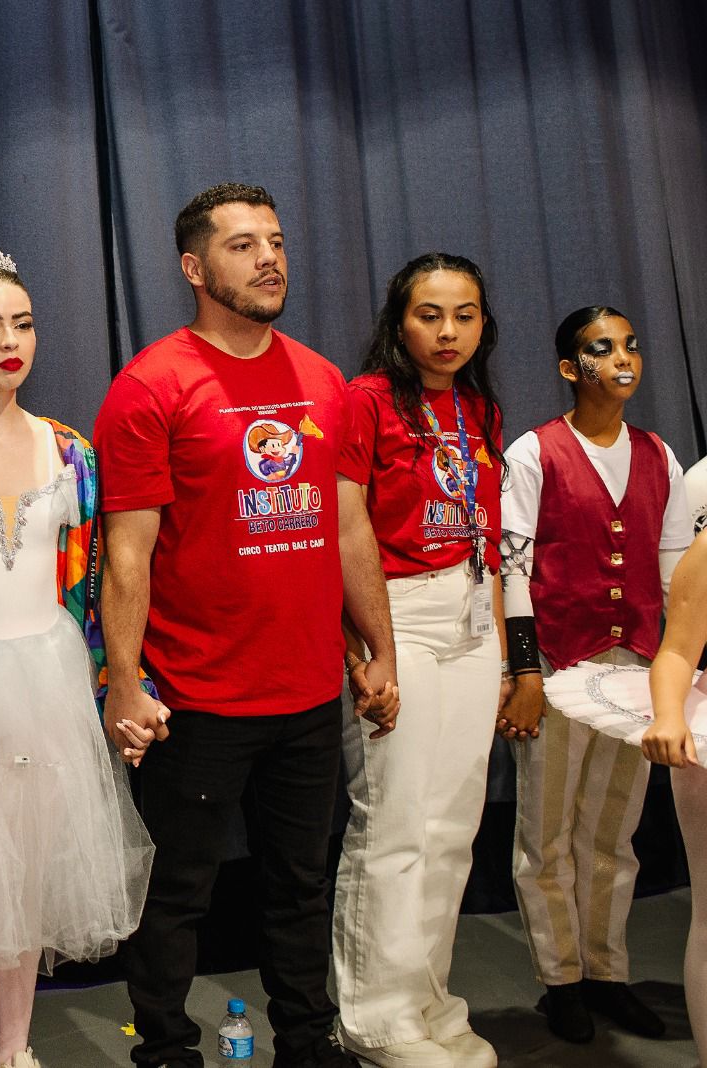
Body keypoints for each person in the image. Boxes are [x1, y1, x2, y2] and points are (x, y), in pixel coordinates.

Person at [93, 182, 397, 1068]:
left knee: (299, 885)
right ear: (195, 269)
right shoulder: (151, 386)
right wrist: (124, 681)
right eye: (242, 246)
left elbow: (348, 527)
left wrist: (377, 648)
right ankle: (165, 1050)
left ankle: (307, 1041)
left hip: (307, 689)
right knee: (176, 896)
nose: (269, 259)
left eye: (276, 241)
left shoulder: (324, 382)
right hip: (196, 697)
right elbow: (127, 556)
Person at [0, 245, 154, 1068]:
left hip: (46, 678)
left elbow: (90, 585)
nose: (9, 341)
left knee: (25, 875)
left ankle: (13, 1049)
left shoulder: (68, 449)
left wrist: (113, 683)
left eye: (22, 323)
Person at [332, 253, 507, 1068]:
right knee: (396, 821)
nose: (447, 332)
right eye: (429, 315)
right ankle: (373, 1019)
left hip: (469, 614)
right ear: (398, 322)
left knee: (452, 828)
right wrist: (369, 650)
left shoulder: (479, 407)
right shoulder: (365, 401)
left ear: (483, 325)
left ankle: (429, 999)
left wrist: (501, 653)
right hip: (395, 614)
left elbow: (488, 539)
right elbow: (345, 530)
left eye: (464, 315)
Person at [499, 305, 692, 1044]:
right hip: (557, 663)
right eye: (602, 347)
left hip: (635, 665)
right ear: (568, 367)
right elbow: (514, 570)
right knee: (547, 832)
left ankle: (608, 973)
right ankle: (561, 980)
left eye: (631, 346)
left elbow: (673, 566)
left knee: (614, 831)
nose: (622, 358)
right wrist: (524, 670)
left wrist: (679, 657)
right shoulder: (534, 453)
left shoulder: (658, 454)